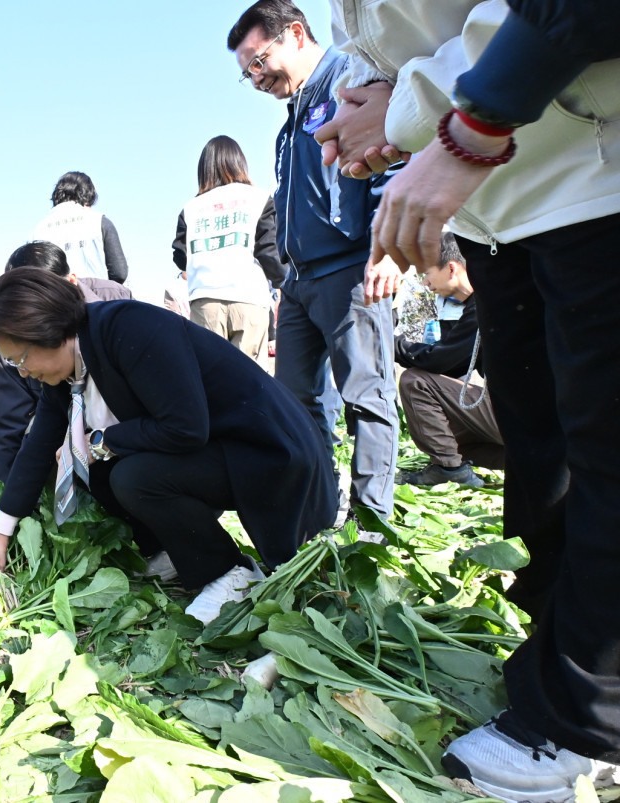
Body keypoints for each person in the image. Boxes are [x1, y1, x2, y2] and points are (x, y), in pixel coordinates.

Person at [313, 1, 620, 797]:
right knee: (542, 458)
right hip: (495, 207)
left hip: (588, 164)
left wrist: (453, 124)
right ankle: (558, 666)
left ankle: (590, 720)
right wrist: (378, 102)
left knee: (604, 456)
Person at [0, 269, 336, 625]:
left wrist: (100, 442)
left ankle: (230, 573)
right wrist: (0, 535)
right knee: (90, 465)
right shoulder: (67, 371)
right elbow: (37, 448)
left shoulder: (129, 327)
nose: (22, 372)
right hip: (216, 451)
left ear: (48, 331)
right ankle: (170, 553)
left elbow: (185, 427)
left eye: (21, 359)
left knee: (132, 475)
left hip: (266, 451)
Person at [227, 0, 400, 524]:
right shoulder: (292, 120)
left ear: (296, 33)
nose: (257, 78)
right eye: (247, 73)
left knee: (365, 397)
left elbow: (394, 157)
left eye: (259, 62)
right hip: (299, 282)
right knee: (297, 405)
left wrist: (387, 249)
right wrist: (285, 280)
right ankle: (319, 515)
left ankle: (372, 527)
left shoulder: (351, 82)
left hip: (351, 269)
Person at [0, 241, 131, 487]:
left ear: (70, 283)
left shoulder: (116, 302)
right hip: (62, 423)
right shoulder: (11, 336)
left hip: (124, 434)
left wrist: (104, 443)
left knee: (132, 478)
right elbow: (5, 422)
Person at [395, 233, 502, 489]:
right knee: (447, 434)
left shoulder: (486, 303)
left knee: (415, 382)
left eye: (427, 273)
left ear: (451, 268)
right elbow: (454, 365)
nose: (426, 283)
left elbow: (439, 360)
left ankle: (449, 470)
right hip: (544, 420)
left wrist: (390, 343)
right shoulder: (492, 296)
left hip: (524, 415)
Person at [172, 135, 286, 362]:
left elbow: (180, 255)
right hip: (249, 298)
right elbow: (268, 251)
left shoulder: (191, 207)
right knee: (249, 376)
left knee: (211, 376)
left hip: (205, 299)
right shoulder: (258, 198)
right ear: (239, 163)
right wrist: (285, 284)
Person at [30, 172, 128, 284]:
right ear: (88, 196)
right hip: (94, 292)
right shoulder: (99, 221)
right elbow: (120, 273)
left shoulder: (38, 230)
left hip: (53, 293)